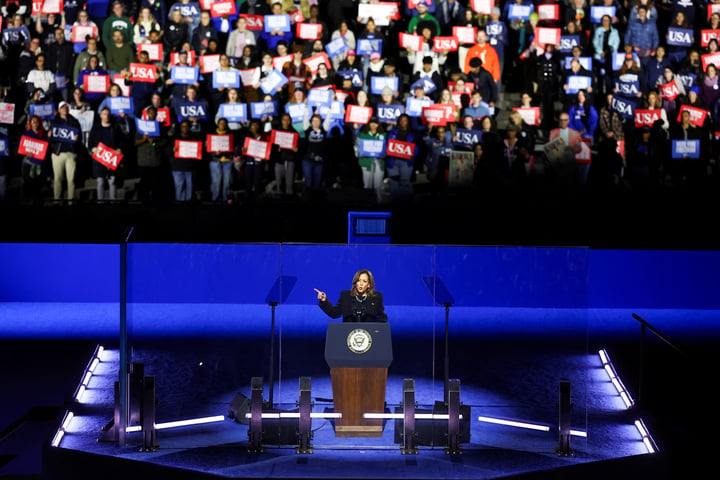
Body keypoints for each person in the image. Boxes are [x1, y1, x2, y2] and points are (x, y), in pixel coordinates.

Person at [315, 269, 387, 323]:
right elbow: (335, 313)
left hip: (369, 336)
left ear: (369, 285)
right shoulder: (346, 296)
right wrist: (324, 300)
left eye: (364, 281)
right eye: (359, 281)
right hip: (349, 335)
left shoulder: (376, 297)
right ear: (355, 282)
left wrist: (376, 330)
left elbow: (382, 317)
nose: (361, 284)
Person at [48, 100, 82, 202]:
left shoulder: (74, 121)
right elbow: (49, 139)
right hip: (58, 153)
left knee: (71, 179)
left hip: (71, 153)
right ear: (59, 110)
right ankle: (57, 200)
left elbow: (79, 137)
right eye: (62, 107)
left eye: (66, 107)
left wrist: (77, 138)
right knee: (58, 179)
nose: (65, 109)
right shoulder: (54, 122)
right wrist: (49, 136)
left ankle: (71, 201)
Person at [88, 106, 125, 201]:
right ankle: (100, 202)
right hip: (99, 158)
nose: (106, 116)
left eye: (108, 114)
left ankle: (113, 202)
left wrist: (120, 149)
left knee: (112, 181)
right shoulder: (96, 127)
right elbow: (90, 141)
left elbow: (121, 141)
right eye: (104, 114)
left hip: (111, 158)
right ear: (100, 115)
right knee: (100, 181)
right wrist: (92, 149)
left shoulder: (115, 127)